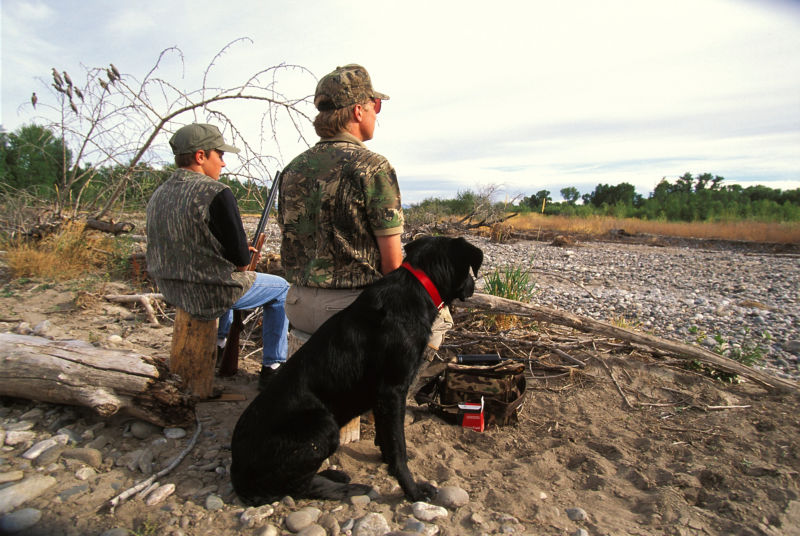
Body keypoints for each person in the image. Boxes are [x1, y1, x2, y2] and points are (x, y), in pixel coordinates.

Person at [279, 64, 452, 348]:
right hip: (348, 312)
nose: (376, 114)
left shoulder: (292, 169)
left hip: (296, 304)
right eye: (376, 106)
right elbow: (392, 265)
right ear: (358, 111)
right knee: (438, 319)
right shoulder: (373, 167)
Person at [146, 123, 289, 389]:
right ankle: (273, 367)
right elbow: (240, 260)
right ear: (201, 156)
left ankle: (221, 344)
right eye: (219, 155)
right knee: (282, 289)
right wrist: (241, 252)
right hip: (208, 292)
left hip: (171, 289)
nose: (223, 164)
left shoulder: (159, 194)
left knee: (221, 274)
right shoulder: (217, 192)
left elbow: (190, 245)